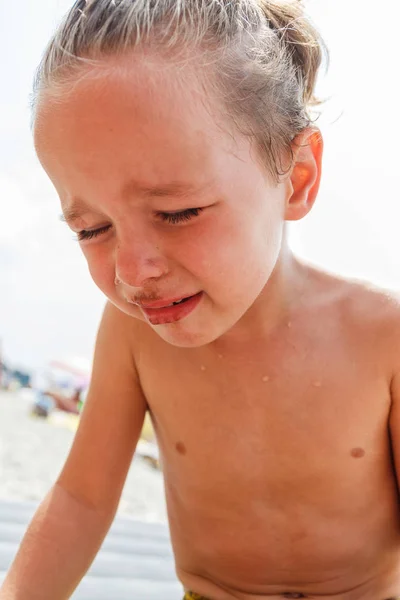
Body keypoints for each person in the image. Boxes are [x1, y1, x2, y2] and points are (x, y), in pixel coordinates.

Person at [1, 1, 400, 599]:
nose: (134, 274)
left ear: (296, 177)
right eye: (90, 230)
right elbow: (81, 501)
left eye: (177, 212)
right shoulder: (132, 334)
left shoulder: (381, 336)